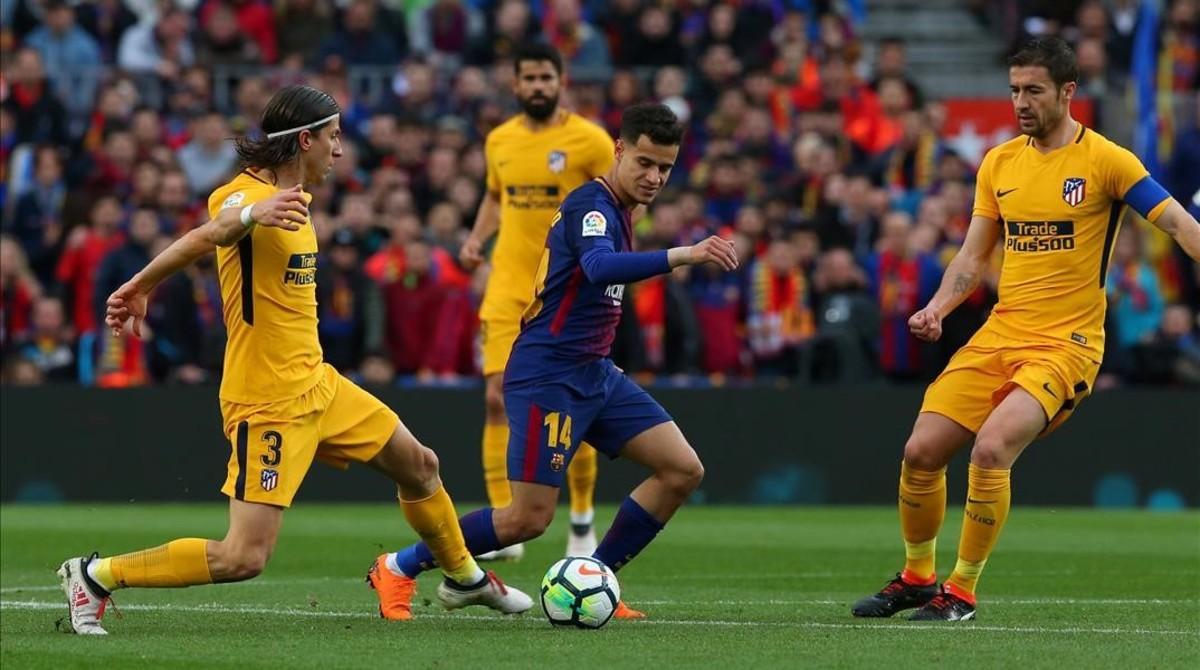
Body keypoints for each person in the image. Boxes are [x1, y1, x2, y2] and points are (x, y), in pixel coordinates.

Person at [57, 85, 531, 636]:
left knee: (420, 464)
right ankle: (95, 575)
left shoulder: (299, 200)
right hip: (267, 399)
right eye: (332, 137)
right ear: (304, 139)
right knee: (243, 557)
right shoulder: (237, 195)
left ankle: (464, 577)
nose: (339, 150)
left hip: (318, 383)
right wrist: (145, 283)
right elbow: (215, 229)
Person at [851, 36, 1200, 622]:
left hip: (1067, 345)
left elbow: (1180, 225)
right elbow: (970, 258)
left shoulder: (1108, 161)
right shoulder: (1000, 163)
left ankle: (959, 592)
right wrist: (938, 307)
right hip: (999, 333)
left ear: (1067, 91)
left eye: (1033, 90)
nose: (1020, 102)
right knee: (920, 452)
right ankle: (916, 577)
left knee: (990, 449)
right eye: (1014, 90)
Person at [369, 103, 738, 621]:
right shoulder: (592, 206)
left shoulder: (622, 209)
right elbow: (597, 265)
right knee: (527, 518)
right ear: (620, 150)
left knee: (680, 469)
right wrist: (684, 254)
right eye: (645, 163)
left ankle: (597, 577)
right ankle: (398, 566)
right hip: (548, 374)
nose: (654, 177)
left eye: (665, 168)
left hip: (595, 371)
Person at [458, 42, 616, 561]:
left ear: (561, 80)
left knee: (573, 404)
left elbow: (613, 202)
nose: (539, 86)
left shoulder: (590, 141)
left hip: (567, 291)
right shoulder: (499, 140)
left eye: (547, 77)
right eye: (530, 78)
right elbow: (495, 195)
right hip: (507, 286)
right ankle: (504, 523)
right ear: (516, 84)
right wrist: (478, 238)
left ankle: (582, 518)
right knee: (495, 398)